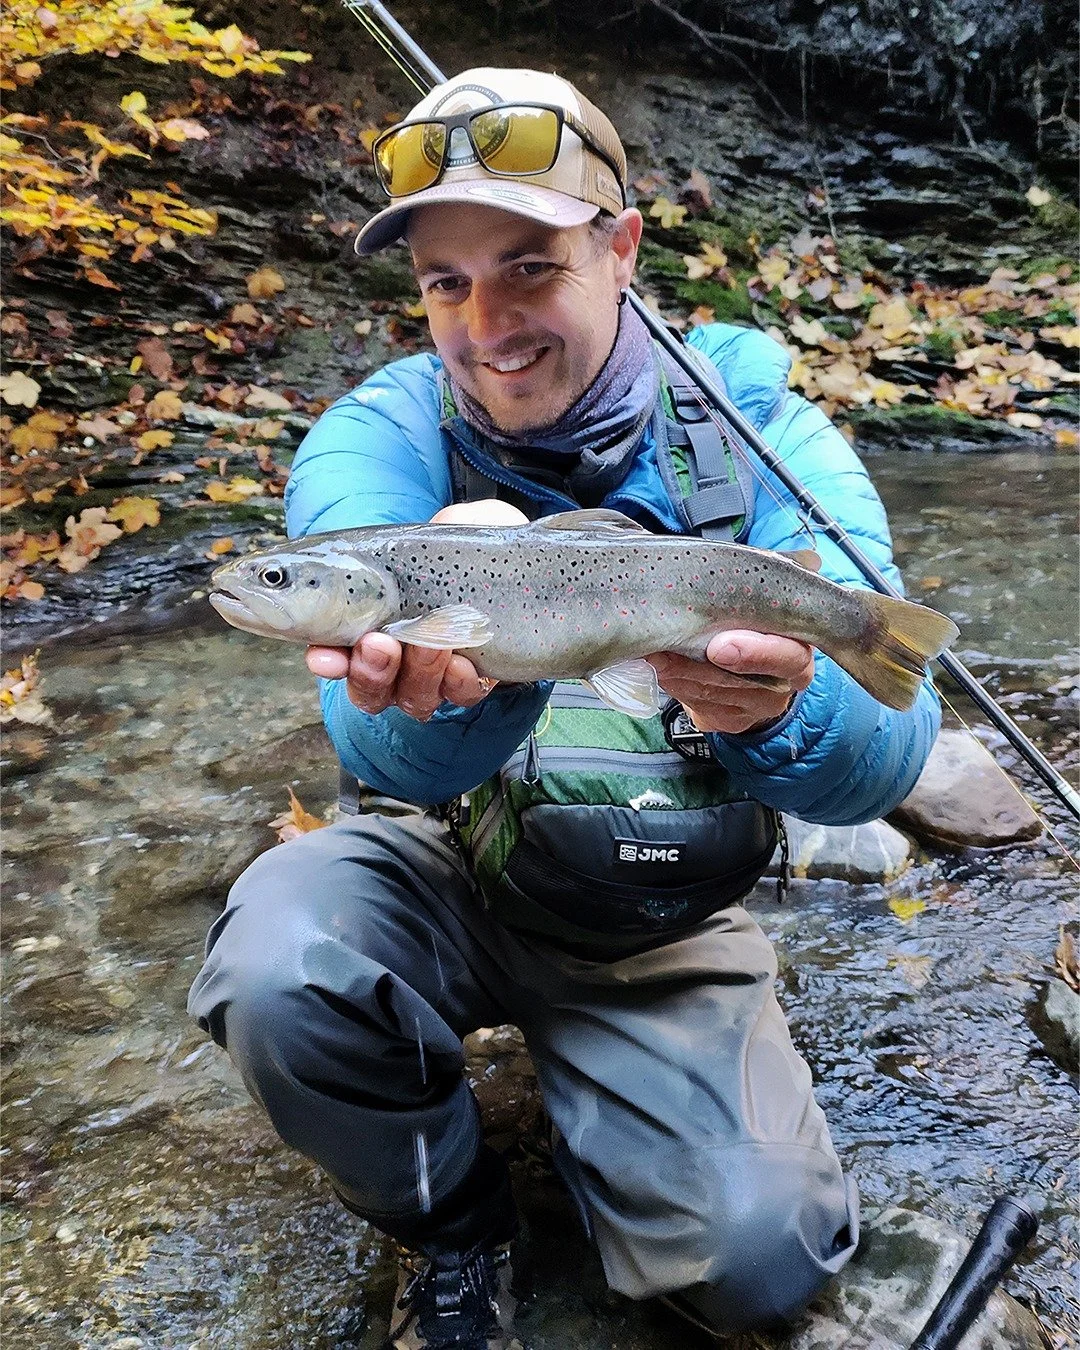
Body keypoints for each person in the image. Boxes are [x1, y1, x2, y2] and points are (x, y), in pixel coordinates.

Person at [189, 67, 941, 1348]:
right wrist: (444, 690)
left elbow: (888, 758)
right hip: (446, 870)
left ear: (623, 250)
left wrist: (781, 711)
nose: (486, 322)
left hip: (659, 919)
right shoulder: (372, 449)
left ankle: (631, 1128)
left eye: (529, 265)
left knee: (764, 1265)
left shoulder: (758, 432)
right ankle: (457, 1227)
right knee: (275, 964)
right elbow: (381, 754)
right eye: (444, 283)